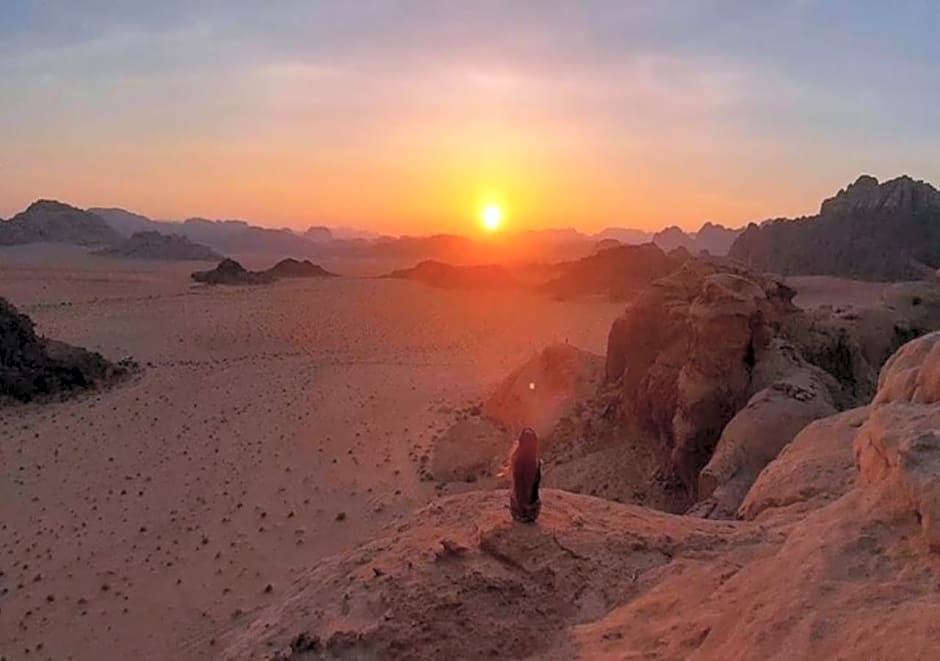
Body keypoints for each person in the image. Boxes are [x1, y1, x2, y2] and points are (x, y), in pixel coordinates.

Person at [509, 428, 542, 522]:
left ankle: (520, 512)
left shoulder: (517, 461)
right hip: (533, 512)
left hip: (520, 512)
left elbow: (517, 486)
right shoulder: (536, 462)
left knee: (515, 489)